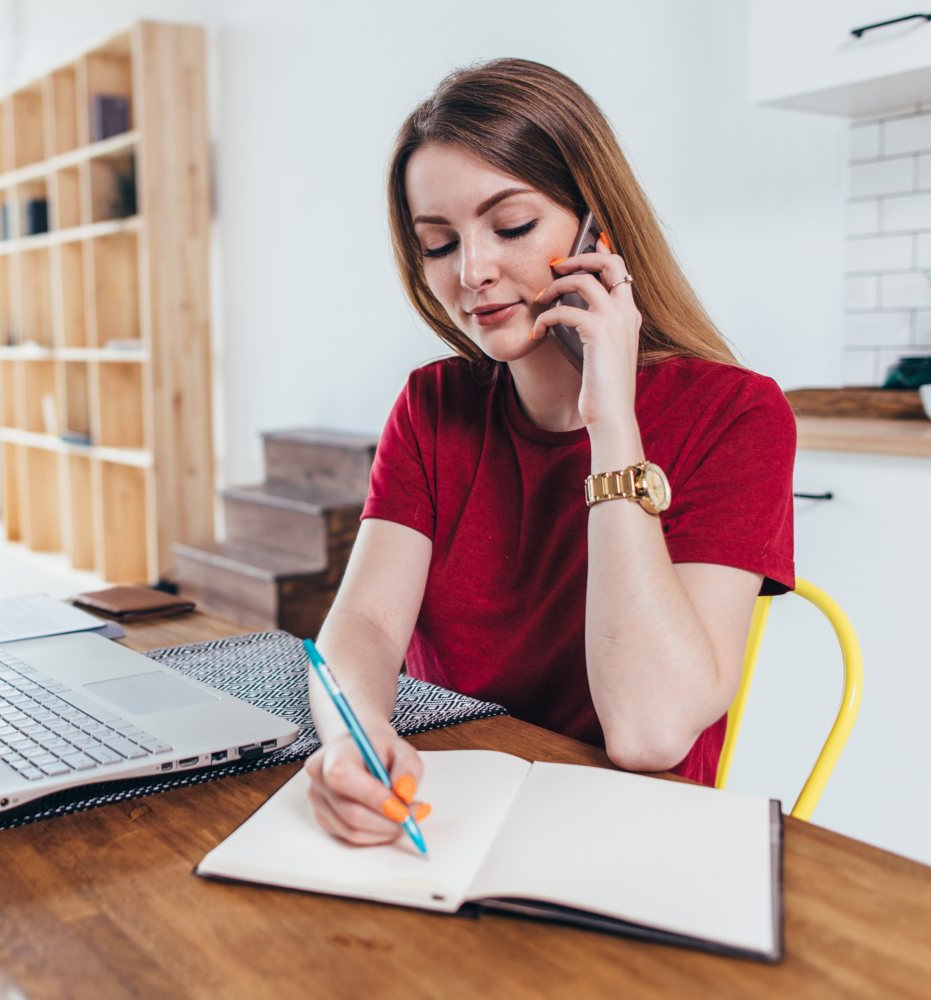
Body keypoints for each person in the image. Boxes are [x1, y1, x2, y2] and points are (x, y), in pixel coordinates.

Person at [303, 59, 796, 847]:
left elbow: (649, 731)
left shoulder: (737, 415)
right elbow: (361, 623)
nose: (471, 273)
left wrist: (611, 422)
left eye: (512, 227)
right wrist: (351, 741)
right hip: (447, 810)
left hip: (632, 835)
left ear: (598, 226)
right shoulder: (433, 405)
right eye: (438, 244)